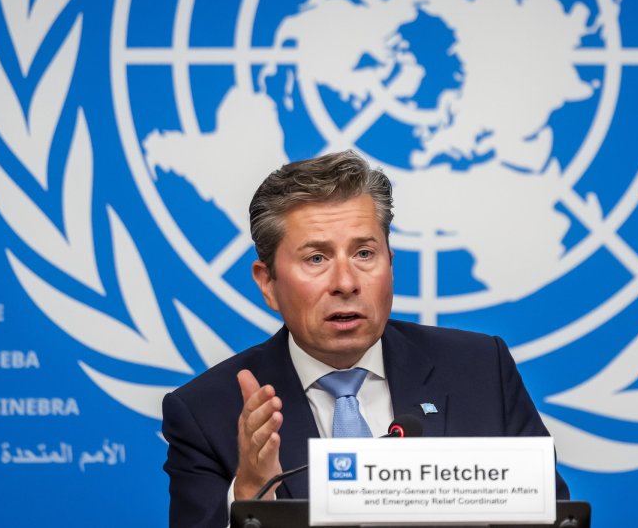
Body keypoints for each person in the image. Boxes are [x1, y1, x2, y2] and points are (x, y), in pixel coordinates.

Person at [162, 151, 568, 527]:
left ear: (390, 264)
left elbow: (553, 516)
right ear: (268, 283)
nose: (345, 283)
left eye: (364, 254)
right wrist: (250, 496)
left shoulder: (480, 369)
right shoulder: (205, 413)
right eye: (316, 258)